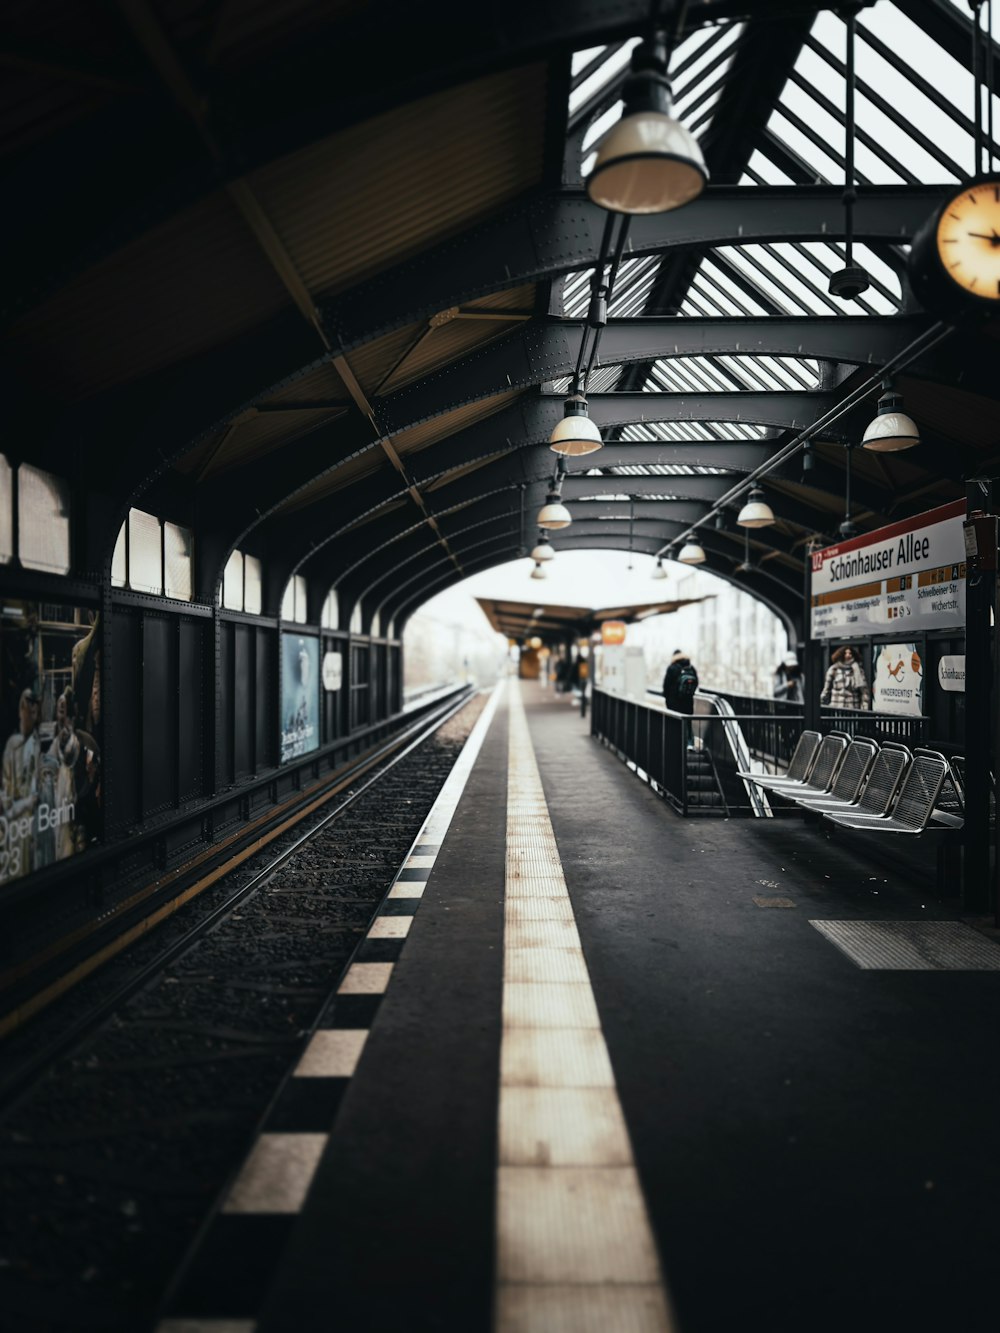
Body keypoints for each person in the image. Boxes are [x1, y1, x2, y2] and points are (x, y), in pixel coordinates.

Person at [662, 649, 699, 746]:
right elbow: (696, 683)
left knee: (675, 724)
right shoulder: (691, 668)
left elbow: (666, 686)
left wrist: (667, 699)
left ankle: (675, 745)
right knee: (688, 724)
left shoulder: (672, 668)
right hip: (688, 702)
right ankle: (689, 744)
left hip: (674, 703)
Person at [820, 645, 870, 710]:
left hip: (853, 708)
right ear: (841, 655)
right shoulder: (834, 669)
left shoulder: (858, 670)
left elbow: (864, 692)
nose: (848, 655)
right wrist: (821, 702)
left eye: (850, 653)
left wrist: (864, 708)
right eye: (845, 653)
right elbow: (826, 690)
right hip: (837, 707)